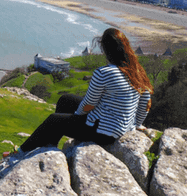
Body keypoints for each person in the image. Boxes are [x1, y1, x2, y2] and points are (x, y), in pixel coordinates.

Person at [14, 28, 153, 155]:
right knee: (65, 100)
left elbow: (89, 104)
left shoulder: (104, 73)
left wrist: (76, 117)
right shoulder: (137, 71)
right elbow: (146, 102)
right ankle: (51, 145)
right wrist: (136, 124)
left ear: (105, 49)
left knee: (53, 120)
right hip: (121, 127)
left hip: (104, 132)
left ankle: (21, 152)